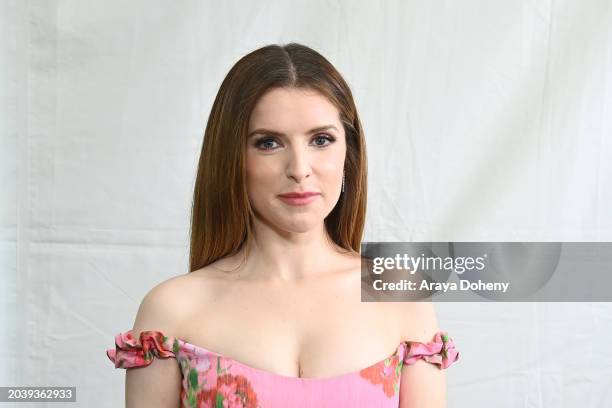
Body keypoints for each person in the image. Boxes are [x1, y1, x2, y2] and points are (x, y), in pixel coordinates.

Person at [106, 42, 459, 408]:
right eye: (269, 143)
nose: (299, 169)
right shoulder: (172, 310)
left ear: (348, 154)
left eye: (321, 140)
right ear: (231, 158)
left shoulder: (400, 295)